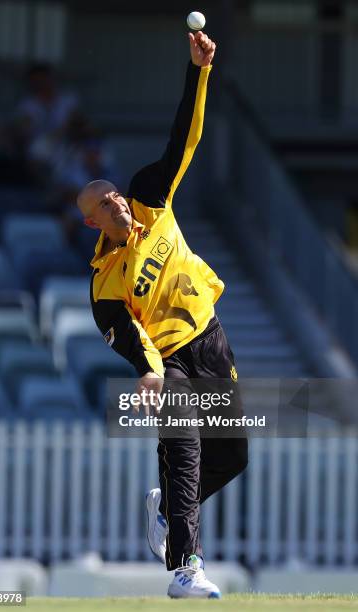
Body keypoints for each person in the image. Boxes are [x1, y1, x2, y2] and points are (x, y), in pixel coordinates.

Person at [77, 31, 248, 599]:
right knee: (186, 446)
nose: (115, 202)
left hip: (212, 339)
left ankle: (166, 506)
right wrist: (149, 371)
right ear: (91, 224)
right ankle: (186, 569)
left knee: (233, 455)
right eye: (102, 204)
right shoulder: (105, 283)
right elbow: (128, 337)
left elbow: (185, 138)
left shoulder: (151, 194)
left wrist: (197, 72)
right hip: (168, 360)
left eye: (114, 196)